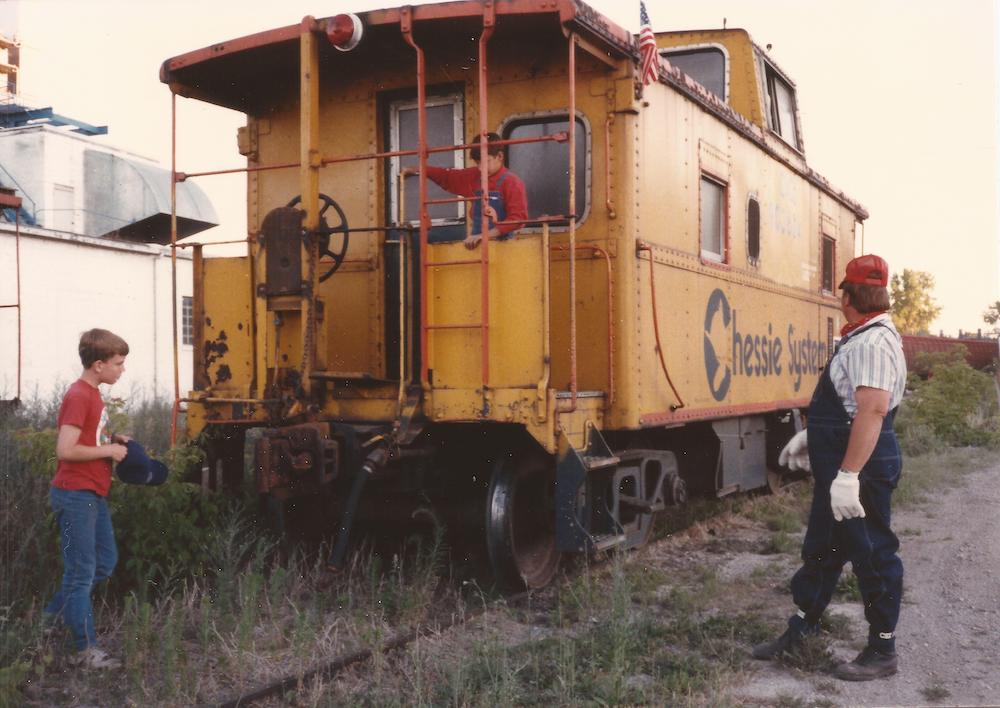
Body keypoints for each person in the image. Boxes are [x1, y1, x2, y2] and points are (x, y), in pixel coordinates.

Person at [754, 254, 908, 682]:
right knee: (823, 549)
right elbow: (849, 408)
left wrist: (848, 475)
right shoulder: (863, 337)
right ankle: (802, 629)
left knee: (872, 552)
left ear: (847, 297)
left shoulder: (873, 343)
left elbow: (873, 412)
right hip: (844, 463)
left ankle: (882, 649)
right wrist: (815, 438)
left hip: (861, 467)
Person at [43, 328, 130, 670]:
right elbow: (65, 449)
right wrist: (108, 449)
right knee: (80, 574)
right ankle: (84, 650)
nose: (122, 370)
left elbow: (87, 436)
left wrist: (112, 438)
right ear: (98, 365)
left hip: (92, 491)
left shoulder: (95, 394)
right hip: (75, 494)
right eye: (118, 363)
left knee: (104, 562)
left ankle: (47, 624)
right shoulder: (80, 395)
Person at [402, 132, 528, 249]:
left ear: (499, 156)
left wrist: (483, 236)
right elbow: (447, 176)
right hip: (476, 245)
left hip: (505, 247)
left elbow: (517, 218)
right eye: (477, 163)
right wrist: (421, 169)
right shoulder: (474, 176)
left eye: (485, 162)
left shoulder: (512, 182)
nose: (479, 168)